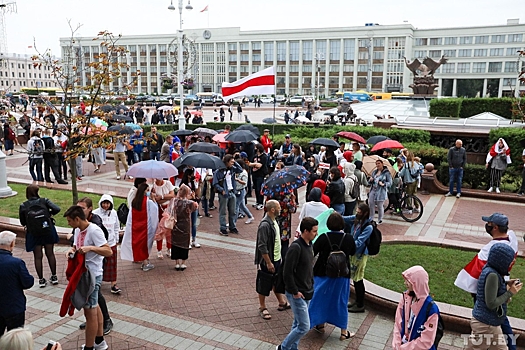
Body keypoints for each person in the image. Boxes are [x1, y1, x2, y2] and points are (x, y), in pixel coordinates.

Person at [454, 213, 519, 350]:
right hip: (487, 315)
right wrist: (509, 290)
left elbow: (478, 271)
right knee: (500, 320)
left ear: (495, 227)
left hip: (488, 310)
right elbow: (491, 302)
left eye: (489, 224)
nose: (487, 226)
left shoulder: (492, 251)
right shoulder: (511, 240)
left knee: (499, 321)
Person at [64, 205, 112, 350]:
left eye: (69, 221)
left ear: (77, 219)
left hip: (93, 276)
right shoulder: (78, 230)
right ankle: (99, 341)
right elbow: (76, 246)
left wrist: (91, 248)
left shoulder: (94, 231)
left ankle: (90, 347)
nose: (68, 224)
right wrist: (71, 251)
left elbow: (108, 251)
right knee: (94, 306)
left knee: (89, 312)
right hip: (82, 274)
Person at [309, 212, 356, 340]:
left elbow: (312, 252)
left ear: (328, 224)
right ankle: (343, 332)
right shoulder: (348, 238)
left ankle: (319, 324)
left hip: (322, 273)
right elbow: (353, 251)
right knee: (340, 301)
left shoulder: (323, 237)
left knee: (319, 298)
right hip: (342, 275)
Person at [465, 244, 521, 350]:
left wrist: (506, 283)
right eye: (510, 261)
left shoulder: (491, 271)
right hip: (485, 325)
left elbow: (492, 288)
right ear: (501, 261)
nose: (511, 264)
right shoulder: (492, 275)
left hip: (489, 323)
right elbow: (491, 303)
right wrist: (510, 293)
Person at [277, 217, 318, 350]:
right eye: (314, 231)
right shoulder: (296, 247)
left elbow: (308, 268)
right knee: (304, 326)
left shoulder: (309, 245)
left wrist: (311, 284)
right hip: (297, 293)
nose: (316, 233)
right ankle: (283, 347)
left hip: (306, 291)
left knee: (297, 323)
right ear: (305, 231)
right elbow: (287, 272)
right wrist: (295, 291)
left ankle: (292, 348)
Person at [19, 184, 60, 288]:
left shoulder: (24, 205)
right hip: (47, 230)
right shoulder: (44, 201)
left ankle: (41, 280)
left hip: (33, 233)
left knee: (37, 256)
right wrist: (48, 214)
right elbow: (57, 208)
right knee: (50, 253)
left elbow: (22, 222)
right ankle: (54, 276)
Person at [392, 266, 442, 350]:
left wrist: (402, 348)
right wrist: (397, 344)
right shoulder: (405, 298)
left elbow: (426, 341)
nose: (405, 283)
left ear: (417, 282)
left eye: (408, 280)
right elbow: (398, 323)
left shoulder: (432, 309)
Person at [255, 200, 288, 320]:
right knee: (264, 282)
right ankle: (262, 307)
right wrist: (268, 262)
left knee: (276, 280)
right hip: (269, 260)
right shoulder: (265, 225)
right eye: (279, 207)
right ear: (272, 209)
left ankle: (281, 302)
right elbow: (262, 245)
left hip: (276, 257)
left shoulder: (274, 221)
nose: (280, 209)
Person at [0, 231, 34, 336]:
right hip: (14, 307)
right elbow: (27, 283)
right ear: (11, 244)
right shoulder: (16, 263)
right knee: (15, 338)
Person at [121, 183, 159, 271]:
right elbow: (154, 212)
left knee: (138, 244)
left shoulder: (135, 201)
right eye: (147, 190)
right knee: (145, 245)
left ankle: (142, 260)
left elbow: (130, 216)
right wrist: (154, 200)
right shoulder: (148, 202)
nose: (148, 192)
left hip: (135, 228)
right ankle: (145, 263)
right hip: (146, 228)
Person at [346, 203, 374, 313]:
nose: (357, 213)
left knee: (358, 279)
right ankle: (357, 301)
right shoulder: (357, 219)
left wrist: (348, 243)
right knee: (355, 279)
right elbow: (345, 218)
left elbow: (359, 242)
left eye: (359, 212)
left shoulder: (368, 227)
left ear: (365, 213)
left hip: (360, 255)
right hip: (354, 254)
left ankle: (360, 304)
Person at [93, 195, 121, 295]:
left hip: (111, 242)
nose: (105, 205)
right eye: (104, 203)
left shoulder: (114, 213)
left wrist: (116, 239)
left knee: (112, 264)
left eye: (107, 203)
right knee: (99, 264)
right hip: (99, 243)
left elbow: (116, 227)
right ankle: (97, 283)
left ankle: (113, 284)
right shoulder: (95, 213)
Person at [169, 184, 198, 271]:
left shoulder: (174, 201)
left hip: (176, 224)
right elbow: (195, 207)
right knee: (184, 243)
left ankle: (177, 263)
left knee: (175, 243)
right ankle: (183, 263)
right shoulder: (189, 203)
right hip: (185, 225)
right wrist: (193, 198)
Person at [213, 154, 243, 236]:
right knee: (223, 212)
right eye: (231, 162)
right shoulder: (218, 172)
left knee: (233, 211)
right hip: (224, 193)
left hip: (232, 192)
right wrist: (221, 190)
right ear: (226, 162)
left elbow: (240, 170)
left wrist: (235, 162)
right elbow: (215, 183)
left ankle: (232, 226)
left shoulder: (232, 169)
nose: (232, 163)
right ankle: (223, 228)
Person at [180, 169, 201, 248]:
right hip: (186, 205)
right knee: (187, 224)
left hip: (193, 204)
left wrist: (198, 185)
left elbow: (197, 194)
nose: (193, 176)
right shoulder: (183, 185)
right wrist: (190, 196)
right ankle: (187, 240)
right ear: (188, 175)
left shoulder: (193, 183)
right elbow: (181, 197)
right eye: (192, 174)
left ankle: (194, 239)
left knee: (194, 223)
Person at [367, 159, 392, 224]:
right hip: (373, 190)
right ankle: (371, 218)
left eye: (379, 163)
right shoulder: (374, 172)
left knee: (380, 206)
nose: (377, 165)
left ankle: (380, 219)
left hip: (381, 191)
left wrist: (383, 184)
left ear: (382, 164)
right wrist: (370, 180)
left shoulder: (387, 173)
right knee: (371, 204)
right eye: (376, 164)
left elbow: (390, 183)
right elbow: (369, 182)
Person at [235, 159, 255, 224]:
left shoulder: (244, 172)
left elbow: (245, 183)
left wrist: (237, 180)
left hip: (241, 191)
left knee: (236, 206)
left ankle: (233, 222)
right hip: (237, 190)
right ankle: (250, 216)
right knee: (242, 206)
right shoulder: (237, 172)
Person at [250, 144, 268, 210]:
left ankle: (261, 202)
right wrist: (253, 164)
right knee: (255, 189)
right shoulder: (255, 156)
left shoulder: (264, 157)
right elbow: (250, 163)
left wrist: (253, 164)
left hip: (261, 174)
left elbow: (259, 165)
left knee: (259, 188)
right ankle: (257, 201)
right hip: (254, 174)